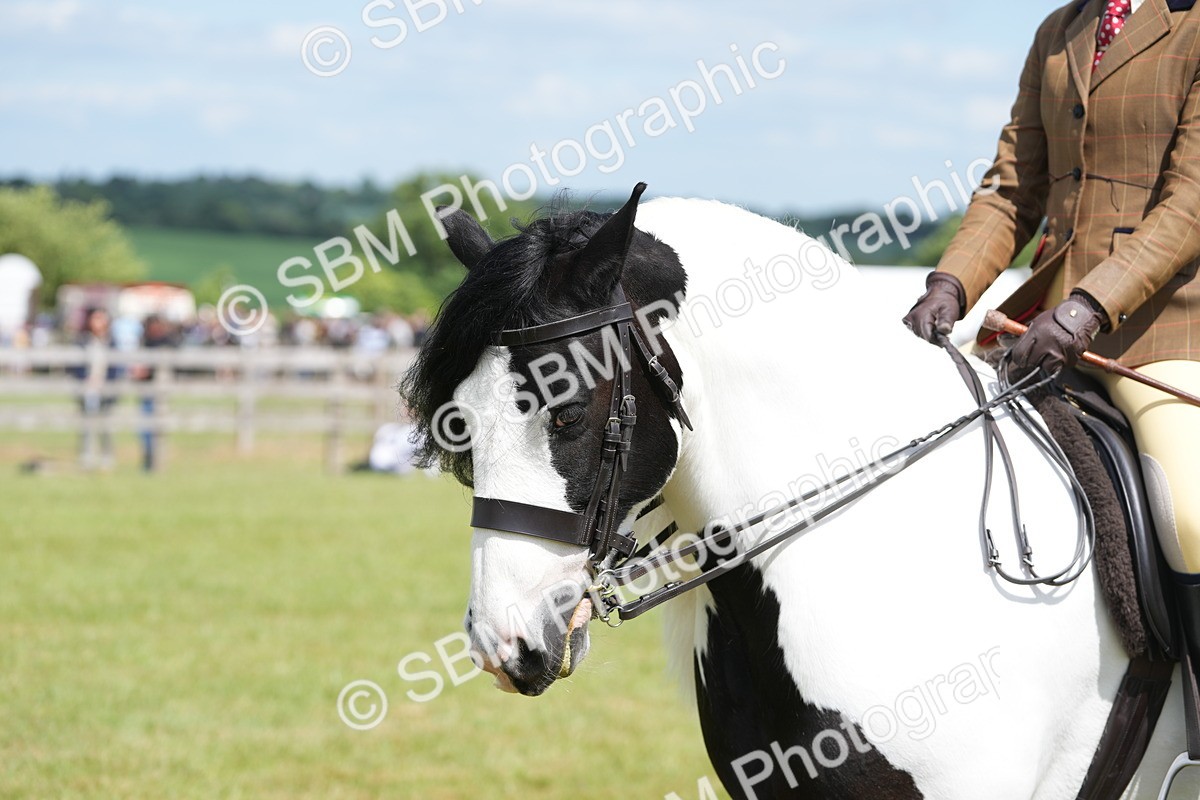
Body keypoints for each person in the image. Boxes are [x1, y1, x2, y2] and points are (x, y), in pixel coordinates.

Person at [904, 0, 1200, 634]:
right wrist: (950, 284)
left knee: (1192, 518)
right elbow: (1013, 186)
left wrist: (1087, 307)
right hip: (1041, 325)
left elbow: (1190, 204)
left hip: (1167, 330)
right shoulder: (1060, 30)